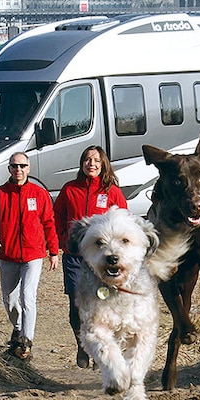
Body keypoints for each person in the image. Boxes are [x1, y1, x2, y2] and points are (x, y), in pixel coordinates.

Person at [54, 144, 128, 368]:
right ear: (82, 163)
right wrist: (61, 240)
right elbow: (57, 217)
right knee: (76, 305)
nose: (91, 164)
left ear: (103, 164)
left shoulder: (111, 191)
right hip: (75, 257)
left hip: (101, 260)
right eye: (87, 160)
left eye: (96, 160)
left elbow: (123, 222)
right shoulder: (69, 189)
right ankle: (82, 345)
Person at [0, 152, 59, 360]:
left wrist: (53, 252)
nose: (19, 170)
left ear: (29, 168)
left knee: (28, 297)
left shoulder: (39, 194)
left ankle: (26, 340)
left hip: (33, 255)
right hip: (7, 255)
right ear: (9, 169)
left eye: (23, 166)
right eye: (15, 166)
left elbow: (49, 223)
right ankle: (17, 328)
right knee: (10, 300)